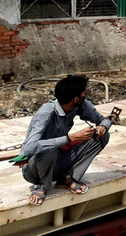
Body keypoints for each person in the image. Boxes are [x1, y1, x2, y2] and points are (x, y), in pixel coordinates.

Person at [19, 75, 111, 206]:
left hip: (57, 162)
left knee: (103, 136)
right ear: (76, 99)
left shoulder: (79, 105)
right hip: (33, 169)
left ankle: (66, 177)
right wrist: (70, 138)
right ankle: (41, 186)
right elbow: (29, 148)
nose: (85, 98)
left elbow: (104, 120)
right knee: (49, 149)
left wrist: (102, 127)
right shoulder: (46, 112)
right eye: (84, 95)